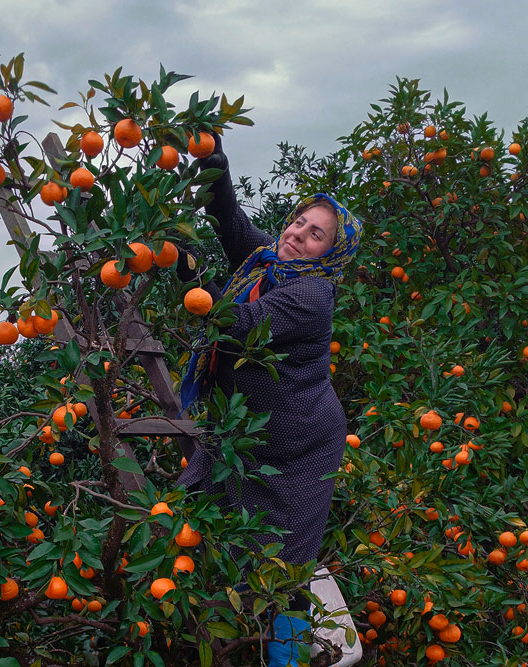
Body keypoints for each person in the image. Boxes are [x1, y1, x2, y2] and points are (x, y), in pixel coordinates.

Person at [175, 132, 362, 666]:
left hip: (301, 446)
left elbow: (239, 325)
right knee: (203, 510)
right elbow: (231, 223)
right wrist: (214, 166)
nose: (299, 234)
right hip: (249, 433)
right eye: (300, 222)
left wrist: (195, 280)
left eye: (317, 235)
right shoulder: (268, 261)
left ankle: (287, 659)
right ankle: (211, 631)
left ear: (333, 252)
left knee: (287, 567)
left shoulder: (310, 294)